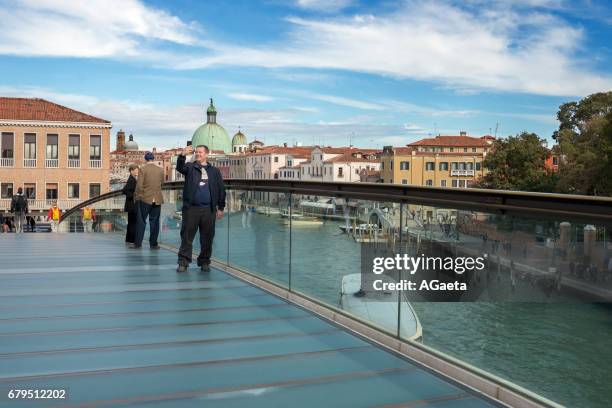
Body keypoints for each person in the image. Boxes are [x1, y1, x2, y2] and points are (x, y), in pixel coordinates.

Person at [176, 144, 225, 273]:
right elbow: (180, 167)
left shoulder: (214, 171)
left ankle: (204, 262)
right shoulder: (190, 167)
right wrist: (182, 155)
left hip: (209, 210)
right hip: (191, 208)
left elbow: (221, 189)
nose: (198, 154)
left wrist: (221, 207)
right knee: (187, 237)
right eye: (196, 152)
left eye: (200, 152)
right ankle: (183, 262)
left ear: (207, 154)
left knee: (207, 238)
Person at [134, 151, 164, 249]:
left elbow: (139, 186)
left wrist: (139, 196)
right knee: (155, 222)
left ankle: (138, 243)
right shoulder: (160, 170)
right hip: (158, 199)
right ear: (153, 159)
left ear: (145, 159)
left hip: (145, 199)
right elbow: (162, 183)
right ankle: (153, 244)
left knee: (141, 221)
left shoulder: (143, 169)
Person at [122, 164, 139, 245]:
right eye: (136, 170)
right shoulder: (132, 180)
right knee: (133, 223)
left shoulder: (131, 179)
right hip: (132, 205)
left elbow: (124, 190)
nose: (137, 171)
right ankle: (132, 240)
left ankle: (129, 239)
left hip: (130, 205)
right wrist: (133, 195)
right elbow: (125, 191)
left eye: (137, 170)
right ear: (131, 171)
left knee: (131, 223)